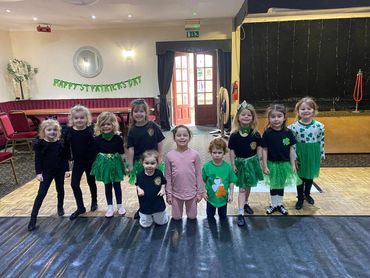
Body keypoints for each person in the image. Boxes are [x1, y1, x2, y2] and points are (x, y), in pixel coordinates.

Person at [28, 119, 70, 231]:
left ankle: (60, 207)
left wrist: (67, 169)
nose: (52, 132)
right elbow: (38, 160)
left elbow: (64, 158)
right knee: (41, 194)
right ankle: (33, 219)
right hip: (46, 172)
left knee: (60, 190)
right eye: (49, 130)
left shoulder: (60, 143)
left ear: (58, 131)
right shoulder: (40, 144)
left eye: (55, 130)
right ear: (43, 131)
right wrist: (38, 173)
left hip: (59, 171)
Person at [126, 99, 165, 219]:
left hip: (153, 162)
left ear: (146, 113)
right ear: (132, 114)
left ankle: (157, 207)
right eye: (136, 111)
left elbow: (160, 141)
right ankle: (143, 208)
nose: (138, 114)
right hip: (140, 164)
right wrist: (130, 164)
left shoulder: (152, 126)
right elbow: (130, 148)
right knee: (141, 187)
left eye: (141, 111)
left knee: (156, 185)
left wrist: (160, 157)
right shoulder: (132, 130)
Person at [228, 101, 263, 226]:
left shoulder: (255, 133)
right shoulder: (234, 135)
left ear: (252, 118)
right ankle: (240, 213)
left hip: (252, 163)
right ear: (238, 117)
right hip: (241, 164)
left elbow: (259, 147)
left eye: (249, 115)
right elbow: (231, 151)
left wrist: (259, 160)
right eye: (243, 115)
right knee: (242, 188)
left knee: (248, 186)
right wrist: (233, 164)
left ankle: (246, 202)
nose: (246, 117)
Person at [261, 104, 301, 215]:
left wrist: (293, 164)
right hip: (271, 163)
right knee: (274, 184)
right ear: (269, 118)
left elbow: (291, 149)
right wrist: (265, 165)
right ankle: (274, 204)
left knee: (281, 185)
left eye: (279, 116)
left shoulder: (288, 133)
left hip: (284, 164)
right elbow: (264, 149)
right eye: (273, 117)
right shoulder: (267, 133)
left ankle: (280, 204)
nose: (276, 119)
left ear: (284, 118)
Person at [289, 97, 325, 210]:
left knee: (309, 176)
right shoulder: (293, 127)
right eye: (303, 109)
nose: (306, 111)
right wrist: (294, 158)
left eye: (309, 108)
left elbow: (321, 140)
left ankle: (307, 194)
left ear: (314, 110)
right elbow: (292, 144)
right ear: (298, 111)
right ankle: (300, 197)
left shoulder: (319, 126)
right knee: (300, 177)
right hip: (300, 153)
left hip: (313, 153)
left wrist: (321, 154)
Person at [64, 104, 98, 220]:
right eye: (76, 118)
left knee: (91, 182)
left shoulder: (90, 130)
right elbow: (66, 148)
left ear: (87, 119)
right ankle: (80, 207)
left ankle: (94, 200)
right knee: (74, 184)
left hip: (90, 161)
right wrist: (67, 163)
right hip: (78, 162)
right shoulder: (68, 131)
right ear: (72, 119)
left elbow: (96, 145)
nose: (79, 120)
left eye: (82, 118)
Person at [165, 125, 204, 220]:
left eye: (185, 135)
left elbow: (199, 175)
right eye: (178, 135)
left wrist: (199, 192)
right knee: (176, 218)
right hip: (175, 194)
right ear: (174, 138)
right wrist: (168, 194)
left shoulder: (195, 155)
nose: (182, 137)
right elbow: (168, 176)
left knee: (192, 217)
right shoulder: (169, 156)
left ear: (189, 137)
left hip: (192, 193)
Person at [91, 112, 126, 218]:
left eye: (108, 124)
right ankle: (110, 207)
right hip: (104, 164)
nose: (106, 127)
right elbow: (95, 153)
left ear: (113, 125)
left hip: (116, 163)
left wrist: (125, 165)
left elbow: (121, 152)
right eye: (103, 124)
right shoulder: (97, 139)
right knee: (107, 186)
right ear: (99, 126)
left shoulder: (118, 138)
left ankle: (120, 206)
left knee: (117, 185)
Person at [202, 138, 237, 220]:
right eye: (214, 152)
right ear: (210, 152)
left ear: (224, 153)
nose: (217, 155)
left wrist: (231, 194)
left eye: (219, 152)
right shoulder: (206, 167)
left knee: (223, 217)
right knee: (210, 216)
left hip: (223, 199)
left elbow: (231, 182)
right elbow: (202, 181)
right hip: (210, 198)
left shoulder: (228, 167)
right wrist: (203, 192)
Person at [136, 150, 168, 228]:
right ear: (142, 163)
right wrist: (139, 189)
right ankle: (142, 214)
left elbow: (163, 182)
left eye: (152, 163)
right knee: (145, 225)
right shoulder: (140, 175)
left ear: (157, 163)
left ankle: (159, 216)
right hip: (145, 203)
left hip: (157, 202)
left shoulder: (159, 173)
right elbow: (137, 184)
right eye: (147, 163)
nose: (149, 166)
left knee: (162, 222)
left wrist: (162, 189)